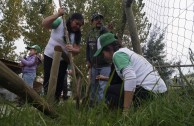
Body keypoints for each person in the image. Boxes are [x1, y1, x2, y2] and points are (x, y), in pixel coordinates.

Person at [94, 32, 167, 110]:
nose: (103, 57)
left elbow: (130, 77)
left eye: (102, 54)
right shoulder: (126, 52)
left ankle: (127, 112)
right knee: (118, 85)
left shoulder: (117, 55)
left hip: (149, 93)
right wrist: (105, 78)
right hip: (161, 93)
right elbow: (129, 76)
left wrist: (126, 110)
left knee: (110, 91)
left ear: (109, 48)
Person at [42, 7, 84, 102]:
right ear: (71, 20)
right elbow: (44, 24)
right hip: (49, 55)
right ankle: (46, 101)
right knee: (48, 78)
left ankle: (55, 102)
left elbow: (77, 50)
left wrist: (73, 49)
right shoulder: (60, 22)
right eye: (76, 23)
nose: (77, 26)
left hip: (63, 60)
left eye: (80, 25)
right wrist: (57, 15)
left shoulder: (77, 34)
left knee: (59, 81)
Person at [86, 12, 111, 105]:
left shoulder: (105, 31)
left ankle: (102, 107)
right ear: (92, 21)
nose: (99, 20)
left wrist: (110, 31)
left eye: (100, 19)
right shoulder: (90, 34)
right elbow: (87, 49)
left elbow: (111, 44)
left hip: (105, 64)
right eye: (96, 19)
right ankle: (93, 106)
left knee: (102, 86)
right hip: (93, 65)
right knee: (93, 85)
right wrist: (88, 60)